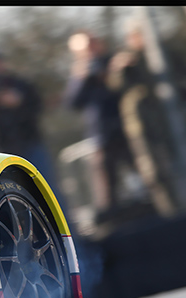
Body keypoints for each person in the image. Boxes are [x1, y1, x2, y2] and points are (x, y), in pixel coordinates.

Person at [106, 18, 186, 216]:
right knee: (155, 172)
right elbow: (116, 87)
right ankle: (169, 212)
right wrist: (121, 69)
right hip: (143, 125)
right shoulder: (127, 60)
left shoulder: (167, 54)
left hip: (172, 119)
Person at [62, 30, 136, 221]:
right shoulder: (81, 73)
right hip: (101, 135)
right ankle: (112, 222)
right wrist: (82, 77)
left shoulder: (114, 61)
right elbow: (72, 103)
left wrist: (118, 68)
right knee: (106, 188)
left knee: (143, 173)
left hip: (128, 129)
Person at [0, 45, 57, 188]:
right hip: (3, 152)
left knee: (45, 186)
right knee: (16, 191)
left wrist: (18, 103)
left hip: (31, 143)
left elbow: (38, 107)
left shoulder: (19, 83)